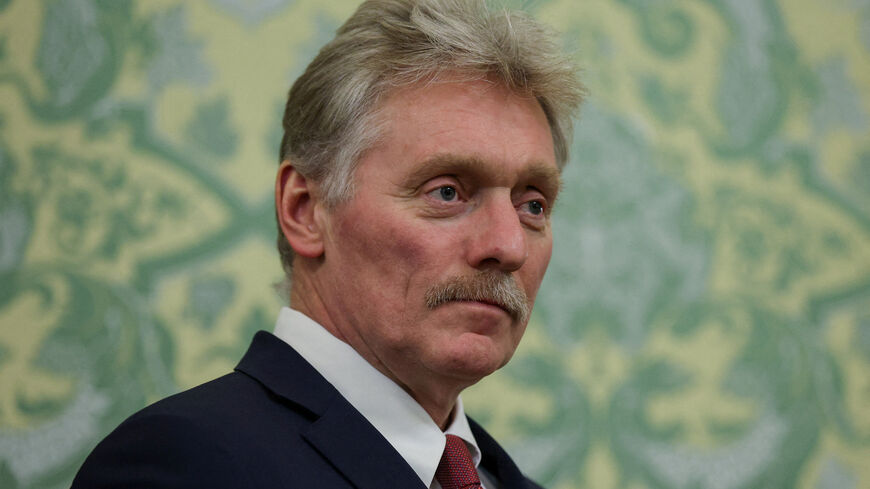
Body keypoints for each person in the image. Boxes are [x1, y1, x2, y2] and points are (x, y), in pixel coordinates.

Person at [71, 0, 583, 487]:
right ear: (305, 211)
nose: (509, 245)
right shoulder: (183, 462)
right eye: (447, 192)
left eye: (533, 204)